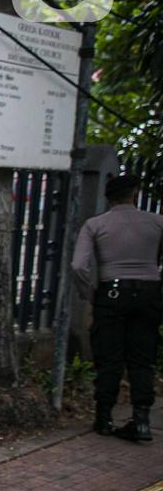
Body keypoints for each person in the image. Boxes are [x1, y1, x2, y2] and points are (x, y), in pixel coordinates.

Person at [72, 174, 162, 443]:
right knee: (142, 358)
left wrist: (90, 294)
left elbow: (79, 266)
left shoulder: (96, 224)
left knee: (109, 358)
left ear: (107, 198)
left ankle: (103, 418)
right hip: (149, 293)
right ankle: (143, 420)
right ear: (135, 193)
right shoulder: (157, 222)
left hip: (110, 292)